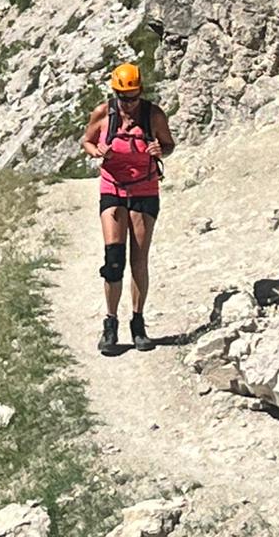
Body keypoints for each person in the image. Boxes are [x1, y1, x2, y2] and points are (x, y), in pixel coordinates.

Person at [82, 62, 175, 356]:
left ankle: (138, 323)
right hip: (113, 188)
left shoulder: (153, 115)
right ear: (115, 93)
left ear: (140, 91)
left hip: (145, 190)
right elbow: (86, 141)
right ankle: (110, 324)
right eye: (123, 98)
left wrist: (160, 150)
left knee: (138, 259)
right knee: (113, 260)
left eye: (133, 97)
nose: (128, 104)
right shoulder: (103, 113)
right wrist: (97, 152)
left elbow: (169, 144)